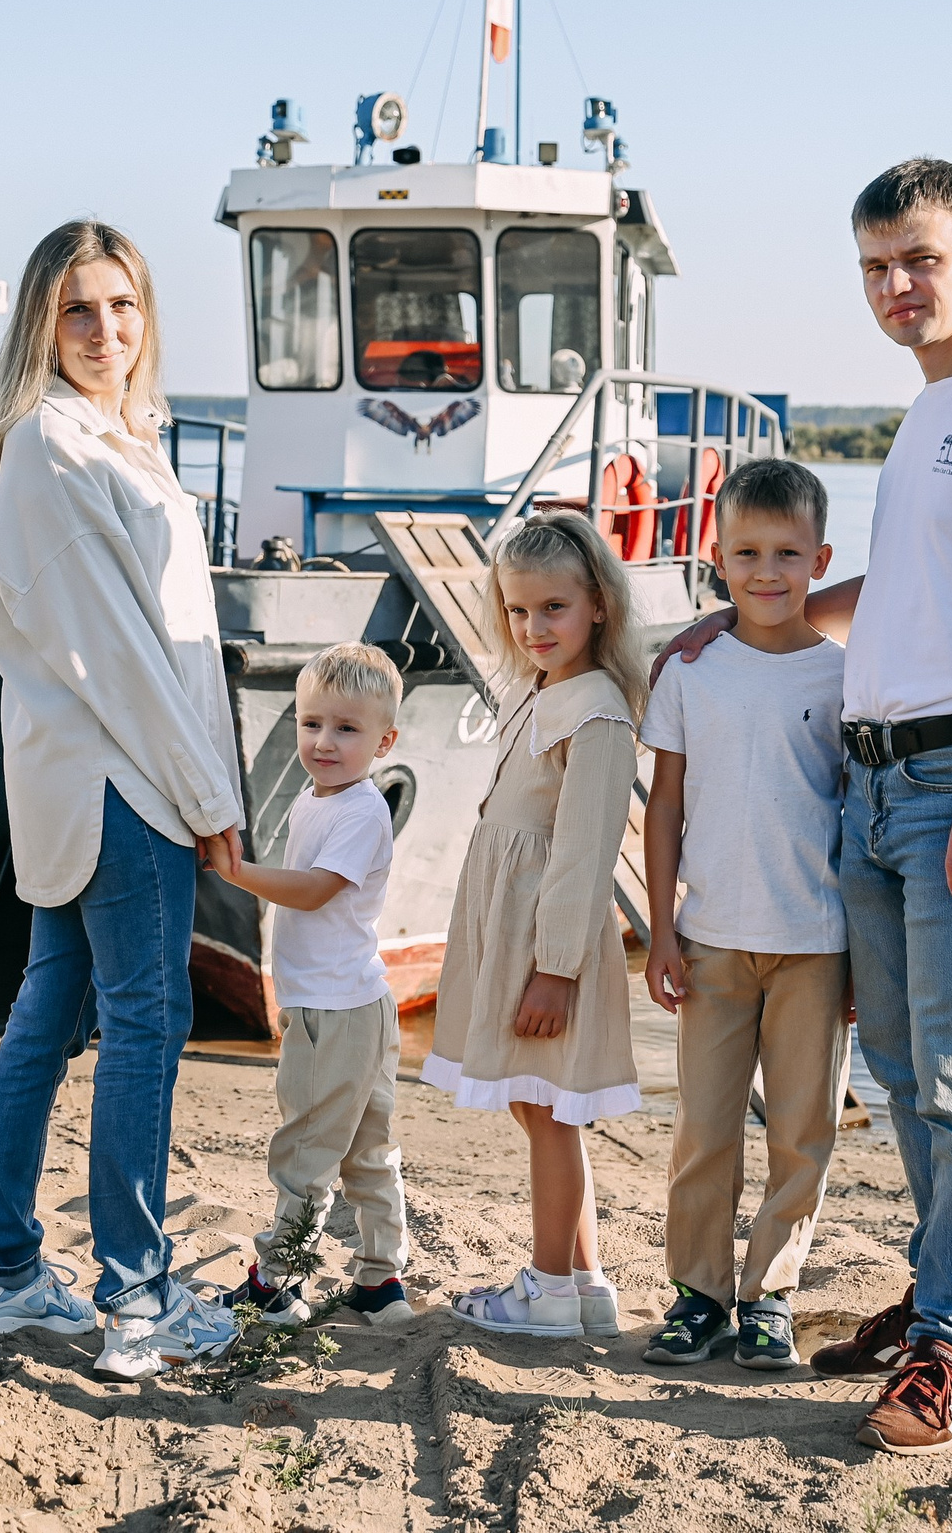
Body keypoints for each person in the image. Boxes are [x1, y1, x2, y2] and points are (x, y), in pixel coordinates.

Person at [655, 158, 952, 1453]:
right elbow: (890, 594)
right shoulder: (927, 415)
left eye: (921, 260)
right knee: (901, 1066)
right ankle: (948, 1292)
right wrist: (730, 627)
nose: (897, 287)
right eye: (875, 267)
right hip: (874, 777)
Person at [0, 219, 247, 1383]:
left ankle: (4, 1271)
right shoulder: (55, 451)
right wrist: (209, 797)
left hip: (92, 775)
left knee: (49, 1015)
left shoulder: (114, 442)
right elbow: (127, 659)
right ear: (40, 322)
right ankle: (136, 1296)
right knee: (145, 1025)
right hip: (123, 780)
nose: (106, 331)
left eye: (122, 306)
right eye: (79, 310)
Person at [638, 457, 850, 1373]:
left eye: (787, 554)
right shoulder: (692, 669)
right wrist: (658, 925)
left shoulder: (847, 676)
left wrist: (866, 959)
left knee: (803, 1131)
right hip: (713, 938)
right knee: (705, 1129)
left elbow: (860, 816)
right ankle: (698, 1295)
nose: (767, 572)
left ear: (820, 558)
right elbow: (664, 807)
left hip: (816, 945)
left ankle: (770, 1296)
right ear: (715, 559)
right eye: (747, 553)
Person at [427, 511, 645, 1338]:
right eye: (518, 611)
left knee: (550, 1111)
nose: (533, 627)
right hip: (508, 928)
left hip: (542, 941)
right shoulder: (537, 689)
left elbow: (586, 854)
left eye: (553, 608)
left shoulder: (597, 711)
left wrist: (554, 969)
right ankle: (583, 1281)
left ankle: (550, 1287)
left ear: (598, 604)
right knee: (537, 1105)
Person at [203, 641, 417, 1330]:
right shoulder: (315, 797)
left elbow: (316, 891)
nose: (324, 741)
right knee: (366, 1149)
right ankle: (381, 1282)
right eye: (311, 723)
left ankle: (278, 1282)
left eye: (347, 729)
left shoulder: (360, 812)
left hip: (336, 1012)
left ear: (385, 740)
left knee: (305, 1149)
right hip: (356, 1003)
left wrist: (236, 872)